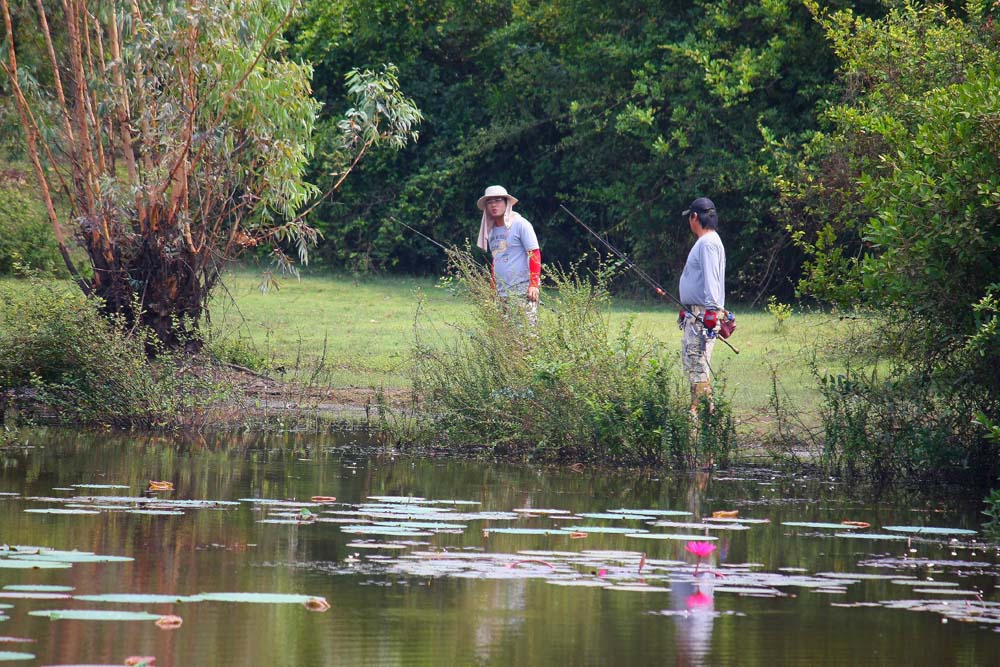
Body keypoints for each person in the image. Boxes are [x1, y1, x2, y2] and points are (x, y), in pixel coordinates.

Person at [678, 197, 726, 416]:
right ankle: (706, 415)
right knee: (697, 368)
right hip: (695, 311)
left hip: (701, 314)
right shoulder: (709, 242)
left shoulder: (707, 243)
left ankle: (699, 415)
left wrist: (711, 313)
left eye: (690, 217)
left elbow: (712, 280)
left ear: (695, 217)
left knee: (697, 367)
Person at [475, 185, 541, 325]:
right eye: (489, 202)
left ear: (506, 202)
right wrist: (493, 288)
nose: (494, 205)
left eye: (498, 200)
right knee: (505, 337)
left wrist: (534, 284)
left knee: (526, 335)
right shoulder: (491, 230)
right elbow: (496, 260)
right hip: (501, 293)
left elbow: (534, 253)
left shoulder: (521, 224)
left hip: (522, 290)